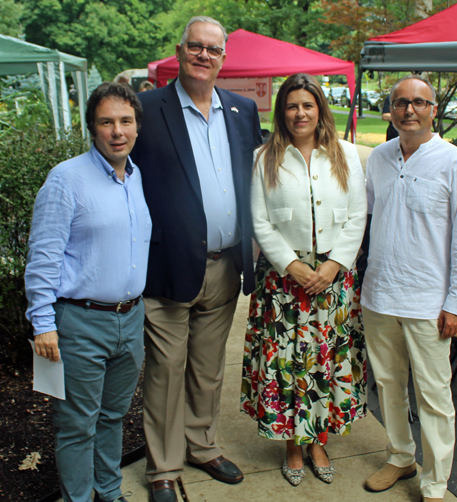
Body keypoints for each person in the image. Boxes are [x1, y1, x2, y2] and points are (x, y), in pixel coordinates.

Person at [130, 16, 262, 502]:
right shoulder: (145, 108)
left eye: (213, 50)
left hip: (227, 264)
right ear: (180, 51)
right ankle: (163, 467)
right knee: (166, 369)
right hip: (165, 264)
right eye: (195, 47)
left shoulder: (242, 110)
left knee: (208, 368)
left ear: (223, 58)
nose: (203, 56)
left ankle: (202, 444)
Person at [25, 82, 151, 502]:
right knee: (77, 423)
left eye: (126, 121)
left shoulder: (135, 176)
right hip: (79, 322)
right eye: (107, 122)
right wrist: (43, 324)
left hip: (129, 319)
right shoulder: (66, 180)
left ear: (136, 126)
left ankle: (109, 492)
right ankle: (78, 498)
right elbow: (43, 258)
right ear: (92, 128)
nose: (118, 131)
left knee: (113, 416)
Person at [241, 73, 368, 486]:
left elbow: (356, 216)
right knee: (286, 365)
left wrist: (335, 266)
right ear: (282, 112)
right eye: (292, 106)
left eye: (308, 105)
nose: (300, 113)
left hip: (332, 281)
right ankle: (291, 446)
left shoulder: (346, 154)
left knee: (325, 363)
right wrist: (289, 265)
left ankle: (317, 440)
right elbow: (260, 220)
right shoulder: (266, 158)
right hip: (283, 283)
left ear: (320, 110)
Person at [361, 75, 457, 502]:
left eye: (419, 102)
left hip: (430, 302)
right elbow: (365, 219)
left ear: (433, 110)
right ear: (389, 110)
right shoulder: (378, 157)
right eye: (400, 103)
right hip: (378, 295)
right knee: (389, 384)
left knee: (432, 394)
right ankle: (399, 456)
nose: (409, 110)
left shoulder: (455, 162)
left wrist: (456, 303)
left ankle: (434, 483)